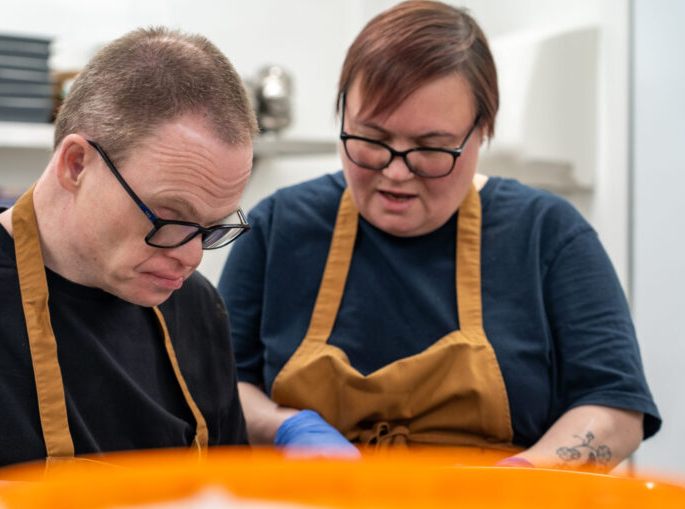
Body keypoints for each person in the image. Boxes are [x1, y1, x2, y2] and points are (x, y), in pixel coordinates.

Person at [218, 0, 661, 471]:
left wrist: (526, 479)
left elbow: (616, 408)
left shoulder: (547, 234)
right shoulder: (279, 227)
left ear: (483, 132)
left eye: (430, 149)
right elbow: (221, 386)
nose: (395, 172)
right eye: (370, 139)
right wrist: (285, 426)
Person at [0, 26, 258, 479]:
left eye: (212, 227)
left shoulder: (197, 307)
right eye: (169, 217)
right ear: (76, 165)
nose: (192, 256)